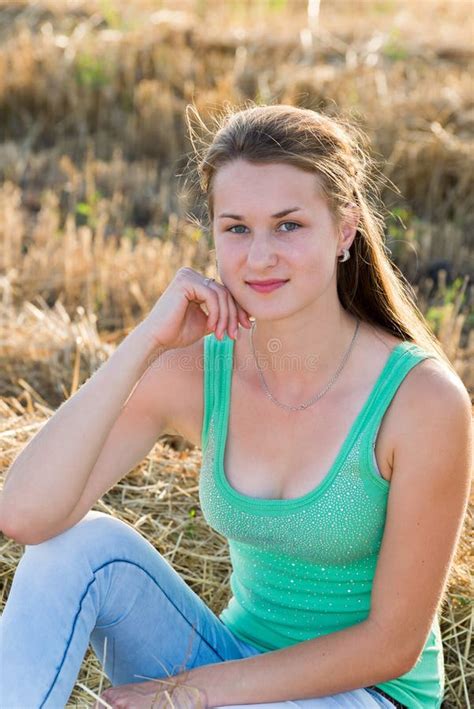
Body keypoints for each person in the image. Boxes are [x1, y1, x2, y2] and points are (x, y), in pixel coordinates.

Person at [0, 103, 471, 709]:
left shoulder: (421, 400)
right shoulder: (199, 368)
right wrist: (145, 343)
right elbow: (25, 515)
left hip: (365, 694)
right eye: (237, 228)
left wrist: (187, 696)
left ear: (345, 230)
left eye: (289, 225)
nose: (259, 257)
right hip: (233, 663)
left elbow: (392, 645)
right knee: (77, 548)